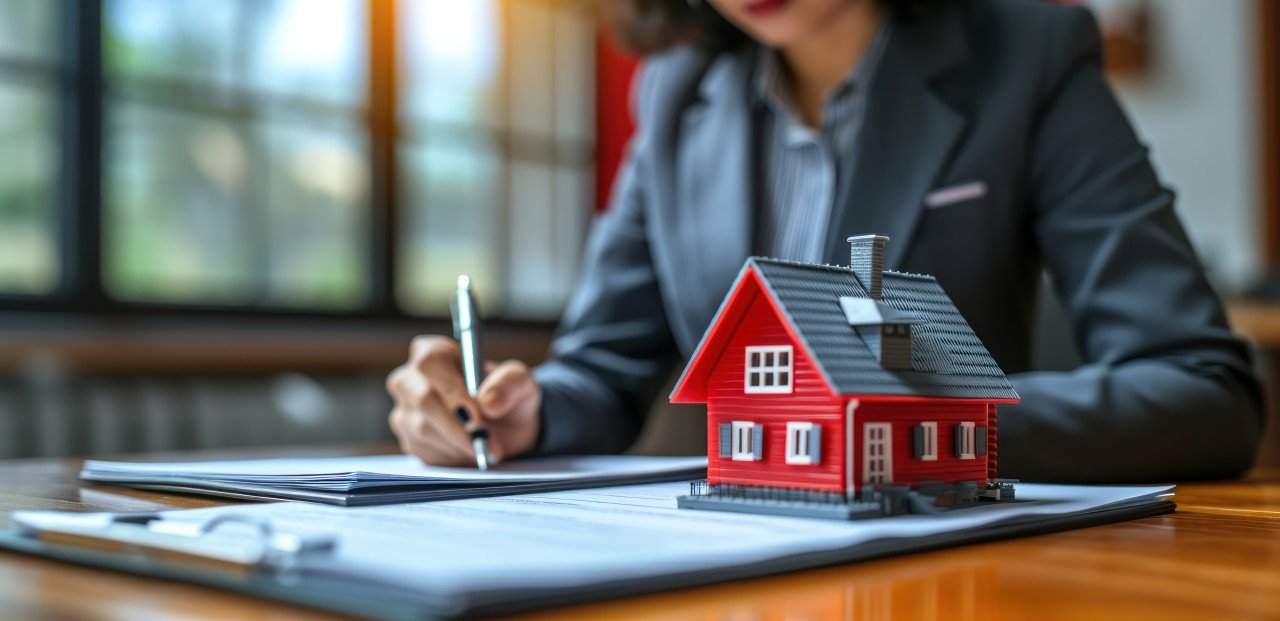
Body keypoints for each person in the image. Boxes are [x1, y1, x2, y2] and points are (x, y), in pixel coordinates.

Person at [386, 0, 1265, 482]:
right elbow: (603, 370)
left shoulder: (1030, 53)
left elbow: (1202, 391)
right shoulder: (675, 93)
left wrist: (909, 428)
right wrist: (521, 413)